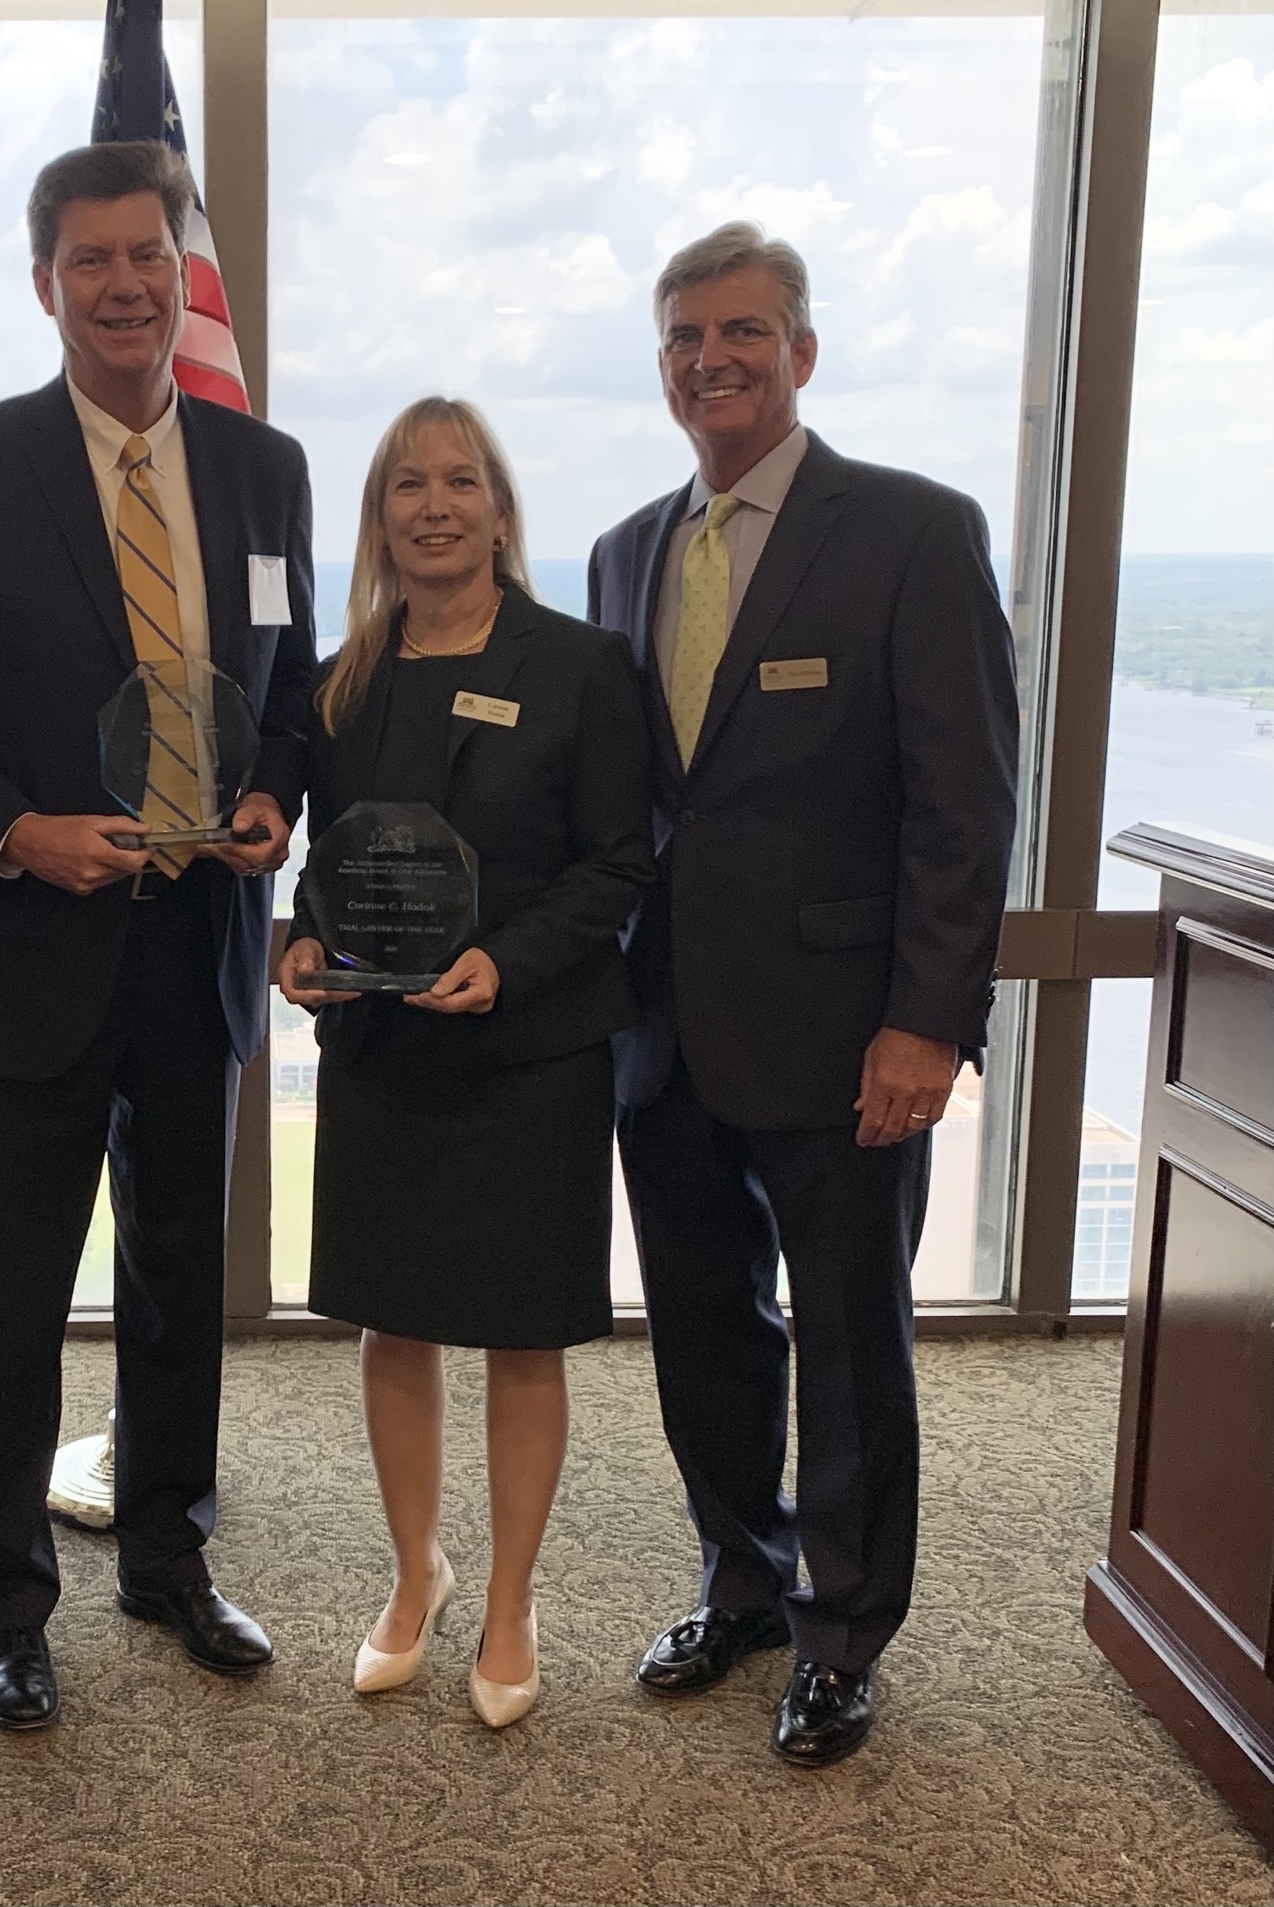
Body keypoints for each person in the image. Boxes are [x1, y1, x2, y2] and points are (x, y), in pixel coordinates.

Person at [0, 140, 315, 1729]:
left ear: (181, 274)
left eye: (151, 257)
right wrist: (10, 834)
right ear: (44, 280)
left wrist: (271, 799)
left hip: (198, 947)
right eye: (92, 260)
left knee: (183, 1275)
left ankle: (167, 1560)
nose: (127, 285)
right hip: (30, 949)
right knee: (11, 1294)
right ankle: (9, 1602)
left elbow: (294, 691)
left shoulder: (265, 471)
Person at [588, 223, 1019, 1765]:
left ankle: (845, 1636)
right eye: (688, 337)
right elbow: (633, 802)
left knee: (847, 1341)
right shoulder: (627, 551)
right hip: (667, 1034)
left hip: (849, 1039)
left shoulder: (912, 531)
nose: (716, 358)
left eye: (746, 332)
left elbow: (962, 808)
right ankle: (742, 1579)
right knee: (705, 1330)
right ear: (663, 368)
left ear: (802, 352)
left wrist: (929, 1020)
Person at [278, 398, 654, 1728]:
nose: (433, 506)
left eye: (459, 482)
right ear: (379, 520)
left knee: (523, 1336)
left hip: (530, 1049)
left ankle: (508, 1603)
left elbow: (619, 861)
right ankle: (412, 1576)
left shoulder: (583, 666)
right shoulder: (348, 677)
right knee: (395, 1321)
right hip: (387, 1049)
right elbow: (340, 862)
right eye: (404, 488)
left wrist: (512, 961)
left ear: (500, 507)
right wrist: (305, 944)